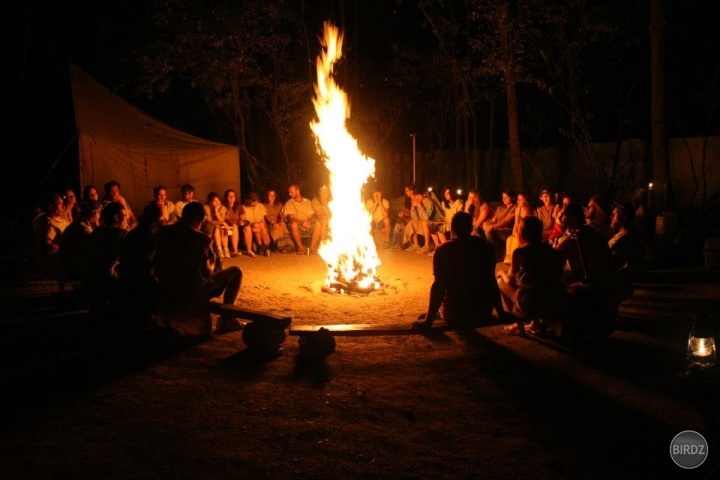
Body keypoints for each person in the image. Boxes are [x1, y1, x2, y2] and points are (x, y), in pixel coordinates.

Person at [154, 201, 243, 337]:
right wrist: (214, 266)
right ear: (197, 219)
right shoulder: (201, 240)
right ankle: (226, 319)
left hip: (167, 285)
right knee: (236, 271)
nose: (201, 224)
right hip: (193, 288)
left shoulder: (165, 232)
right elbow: (206, 273)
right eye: (201, 221)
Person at [412, 211, 509, 330]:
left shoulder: (444, 249)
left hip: (456, 314)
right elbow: (491, 282)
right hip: (483, 311)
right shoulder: (486, 247)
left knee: (432, 311)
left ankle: (438, 313)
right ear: (471, 227)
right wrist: (501, 313)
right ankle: (438, 313)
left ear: (452, 228)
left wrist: (428, 321)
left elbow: (439, 286)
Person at [497, 216, 567, 335]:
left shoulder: (520, 252)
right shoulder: (549, 249)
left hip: (531, 299)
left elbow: (511, 275)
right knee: (532, 285)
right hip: (552, 294)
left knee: (502, 282)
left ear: (522, 232)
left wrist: (501, 273)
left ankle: (518, 321)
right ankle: (535, 323)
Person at [116, 203, 164, 326]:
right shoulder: (148, 234)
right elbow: (149, 260)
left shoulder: (134, 233)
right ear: (157, 218)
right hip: (140, 275)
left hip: (127, 274)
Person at [83, 201, 130, 318]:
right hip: (110, 277)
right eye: (124, 216)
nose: (127, 219)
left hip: (91, 277)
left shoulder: (97, 231)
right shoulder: (122, 233)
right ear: (116, 217)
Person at [58, 199, 102, 289]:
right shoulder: (82, 229)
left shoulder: (78, 224)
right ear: (94, 214)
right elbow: (95, 247)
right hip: (72, 268)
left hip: (68, 264)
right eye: (99, 213)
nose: (99, 215)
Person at [608, 201, 645, 303]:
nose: (611, 216)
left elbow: (619, 262)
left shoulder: (626, 238)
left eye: (615, 214)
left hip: (619, 280)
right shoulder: (621, 234)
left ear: (624, 217)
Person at [283, 183, 321, 255]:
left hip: (307, 224)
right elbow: (291, 218)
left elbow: (311, 216)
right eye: (289, 192)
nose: (289, 194)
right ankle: (300, 247)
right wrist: (302, 222)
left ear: (298, 191)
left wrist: (308, 222)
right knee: (294, 224)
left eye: (291, 192)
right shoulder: (289, 203)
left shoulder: (307, 202)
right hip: (297, 225)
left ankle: (312, 247)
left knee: (318, 223)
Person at [483, 189, 516, 261]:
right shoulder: (500, 208)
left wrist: (491, 227)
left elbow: (506, 221)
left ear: (512, 198)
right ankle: (492, 254)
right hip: (497, 230)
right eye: (503, 197)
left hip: (506, 231)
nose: (504, 199)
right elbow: (493, 220)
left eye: (506, 197)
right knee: (486, 230)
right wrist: (486, 224)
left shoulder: (515, 208)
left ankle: (495, 255)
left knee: (489, 232)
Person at [263, 188, 293, 253]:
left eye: (273, 195)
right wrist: (273, 223)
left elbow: (282, 214)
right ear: (267, 196)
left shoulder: (279, 204)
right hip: (269, 224)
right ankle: (281, 247)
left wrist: (281, 221)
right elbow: (266, 216)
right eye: (270, 195)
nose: (272, 197)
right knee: (276, 228)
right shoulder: (264, 205)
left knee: (283, 225)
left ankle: (289, 246)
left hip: (278, 222)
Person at [204, 192, 231, 258]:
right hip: (209, 226)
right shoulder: (205, 207)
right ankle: (219, 249)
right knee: (216, 227)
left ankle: (225, 249)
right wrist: (222, 223)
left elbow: (222, 220)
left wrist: (216, 212)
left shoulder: (222, 208)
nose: (217, 202)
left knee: (221, 228)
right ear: (210, 202)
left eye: (218, 200)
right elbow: (210, 221)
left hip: (219, 226)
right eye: (214, 201)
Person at [243, 191, 270, 256]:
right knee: (256, 226)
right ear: (249, 201)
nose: (256, 203)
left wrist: (266, 232)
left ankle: (263, 246)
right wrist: (253, 227)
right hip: (250, 227)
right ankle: (264, 247)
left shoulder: (260, 206)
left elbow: (263, 221)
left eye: (256, 201)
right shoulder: (244, 208)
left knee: (260, 226)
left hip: (260, 227)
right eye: (254, 202)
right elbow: (245, 222)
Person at [311, 185, 332, 251]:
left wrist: (325, 203)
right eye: (322, 192)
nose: (324, 194)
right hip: (320, 219)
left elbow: (332, 214)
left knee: (323, 222)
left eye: (326, 192)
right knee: (319, 223)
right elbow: (319, 214)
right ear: (319, 193)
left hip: (332, 220)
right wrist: (323, 203)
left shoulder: (333, 201)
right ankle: (314, 246)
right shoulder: (315, 201)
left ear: (328, 193)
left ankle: (321, 246)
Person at [223, 189, 243, 257]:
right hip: (226, 224)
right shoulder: (223, 206)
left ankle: (235, 250)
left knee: (235, 226)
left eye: (233, 196)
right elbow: (223, 218)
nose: (231, 198)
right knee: (232, 226)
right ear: (226, 197)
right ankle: (230, 250)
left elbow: (243, 218)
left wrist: (241, 221)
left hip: (236, 224)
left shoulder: (239, 206)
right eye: (229, 196)